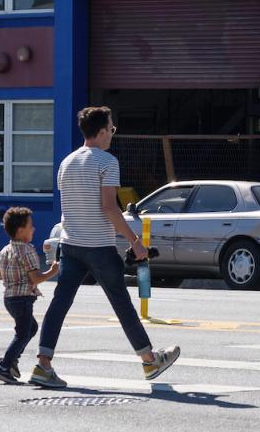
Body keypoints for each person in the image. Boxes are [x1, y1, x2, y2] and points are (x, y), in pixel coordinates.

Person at [30, 106, 180, 389]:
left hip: (70, 243)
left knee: (60, 303)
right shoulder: (107, 162)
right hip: (98, 245)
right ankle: (149, 360)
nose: (112, 133)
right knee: (121, 303)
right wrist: (135, 242)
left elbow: (71, 206)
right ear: (100, 132)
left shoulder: (66, 162)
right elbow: (109, 208)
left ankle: (43, 364)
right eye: (111, 129)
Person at [0, 207, 59, 384]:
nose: (34, 228)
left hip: (9, 299)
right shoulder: (27, 251)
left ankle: (12, 360)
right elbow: (36, 278)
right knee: (22, 333)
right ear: (21, 231)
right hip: (22, 299)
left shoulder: (6, 249)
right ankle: (5, 366)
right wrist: (53, 271)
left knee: (31, 328)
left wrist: (12, 272)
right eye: (31, 226)